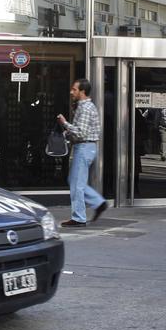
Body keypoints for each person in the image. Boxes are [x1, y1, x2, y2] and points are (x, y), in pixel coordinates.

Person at [57, 78, 106, 227]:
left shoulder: (85, 108)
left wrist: (64, 124)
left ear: (82, 92)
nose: (72, 92)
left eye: (75, 89)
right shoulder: (86, 106)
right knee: (74, 181)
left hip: (84, 147)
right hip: (85, 147)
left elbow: (82, 133)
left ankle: (79, 218)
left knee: (77, 184)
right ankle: (98, 203)